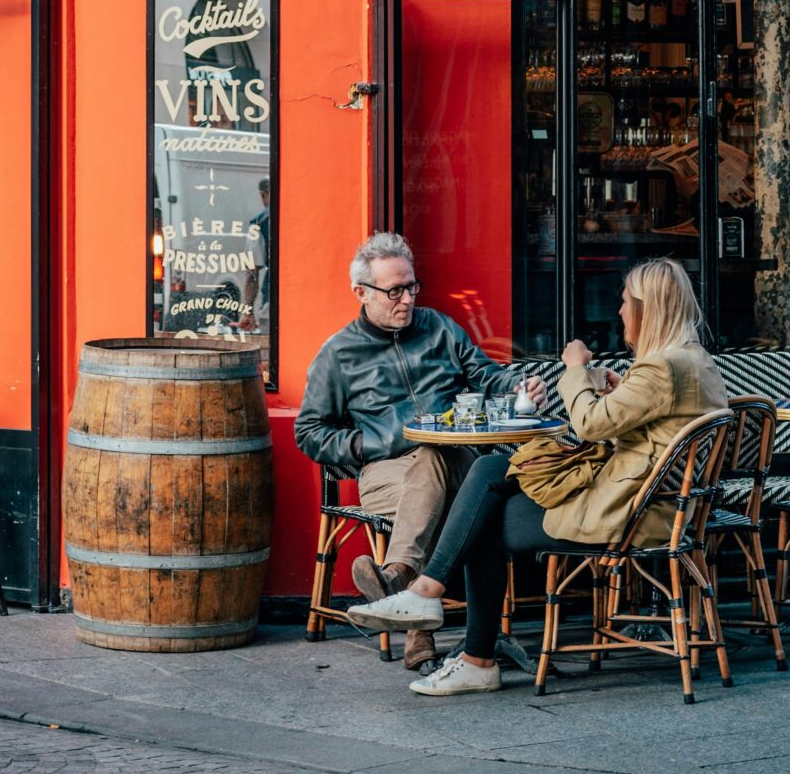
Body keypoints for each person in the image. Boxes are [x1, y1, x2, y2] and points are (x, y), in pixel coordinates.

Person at [343, 257, 730, 697]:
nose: (619, 312)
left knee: (482, 516)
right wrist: (619, 390)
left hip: (634, 514)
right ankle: (433, 600)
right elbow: (650, 421)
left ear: (647, 310)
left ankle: (467, 648)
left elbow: (587, 425)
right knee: (489, 473)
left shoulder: (661, 368)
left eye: (625, 303)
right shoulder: (692, 361)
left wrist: (574, 369)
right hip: (664, 507)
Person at [294, 231, 545, 669]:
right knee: (440, 482)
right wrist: (366, 443)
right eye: (394, 290)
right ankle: (447, 627)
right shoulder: (337, 355)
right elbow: (310, 432)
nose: (407, 299)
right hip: (385, 471)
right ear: (361, 292)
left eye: (411, 287)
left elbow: (487, 376)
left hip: (457, 460)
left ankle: (398, 580)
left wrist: (519, 386)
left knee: (436, 460)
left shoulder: (440, 328)